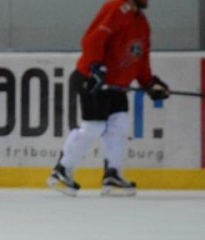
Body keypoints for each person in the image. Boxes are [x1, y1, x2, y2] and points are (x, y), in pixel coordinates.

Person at [47, 0, 169, 197]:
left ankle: (112, 173)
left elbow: (140, 60)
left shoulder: (142, 23)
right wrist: (95, 68)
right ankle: (62, 170)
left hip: (115, 86)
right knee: (94, 127)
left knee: (119, 124)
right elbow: (91, 40)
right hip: (93, 80)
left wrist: (150, 84)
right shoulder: (118, 8)